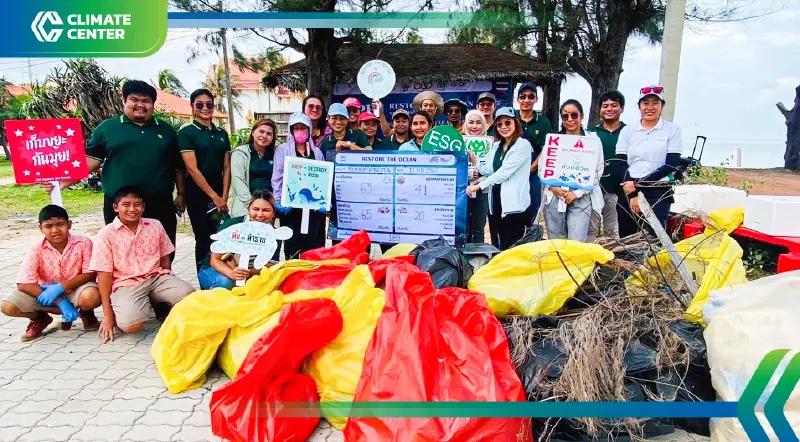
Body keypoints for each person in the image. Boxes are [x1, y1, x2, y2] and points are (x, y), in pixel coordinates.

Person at [50, 80, 185, 259]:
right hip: (119, 204)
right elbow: (91, 161)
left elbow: (178, 166)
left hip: (160, 203)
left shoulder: (166, 131)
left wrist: (181, 194)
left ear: (153, 104)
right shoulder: (107, 128)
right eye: (134, 100)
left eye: (146, 101)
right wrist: (62, 183)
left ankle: (162, 276)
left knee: (163, 251)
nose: (140, 105)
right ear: (124, 101)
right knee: (122, 252)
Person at [90, 187, 195, 343]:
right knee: (131, 325)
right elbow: (104, 275)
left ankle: (158, 302)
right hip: (126, 283)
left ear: (144, 207)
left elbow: (164, 258)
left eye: (137, 204)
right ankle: (130, 306)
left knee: (189, 296)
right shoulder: (106, 234)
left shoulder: (155, 225)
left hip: (156, 277)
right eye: (126, 205)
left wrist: (168, 283)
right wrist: (107, 315)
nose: (132, 209)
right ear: (116, 207)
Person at [1, 205, 101, 341]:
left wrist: (61, 287)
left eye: (60, 224)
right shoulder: (36, 249)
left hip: (75, 290)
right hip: (46, 294)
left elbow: (90, 273)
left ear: (69, 224)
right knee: (7, 306)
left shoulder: (83, 243)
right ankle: (39, 319)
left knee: (92, 296)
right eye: (48, 226)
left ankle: (86, 313)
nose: (55, 230)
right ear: (41, 228)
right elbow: (23, 283)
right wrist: (59, 299)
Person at [616, 85, 683, 232]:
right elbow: (620, 163)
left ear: (662, 106)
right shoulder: (627, 131)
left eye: (655, 103)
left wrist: (638, 184)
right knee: (627, 235)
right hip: (629, 189)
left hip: (658, 189)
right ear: (639, 106)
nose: (650, 107)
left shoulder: (672, 130)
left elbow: (671, 164)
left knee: (656, 234)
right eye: (645, 103)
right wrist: (633, 192)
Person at [178, 89, 232, 271]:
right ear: (192, 106)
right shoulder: (187, 133)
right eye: (199, 104)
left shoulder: (222, 133)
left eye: (209, 104)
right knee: (203, 239)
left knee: (221, 237)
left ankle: (221, 278)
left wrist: (224, 196)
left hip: (220, 193)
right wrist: (214, 196)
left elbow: (227, 167)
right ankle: (204, 280)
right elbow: (192, 168)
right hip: (197, 194)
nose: (205, 108)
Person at [465, 107, 531, 250]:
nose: (503, 127)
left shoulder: (523, 145)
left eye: (508, 123)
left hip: (514, 204)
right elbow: (490, 170)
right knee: (500, 241)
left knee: (512, 244)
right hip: (496, 200)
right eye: (499, 124)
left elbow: (503, 173)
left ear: (516, 123)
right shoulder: (497, 146)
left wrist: (478, 186)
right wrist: (475, 161)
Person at [543, 100, 605, 242]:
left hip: (581, 196)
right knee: (556, 242)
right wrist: (552, 187)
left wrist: (577, 193)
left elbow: (598, 170)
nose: (570, 119)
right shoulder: (554, 141)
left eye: (574, 115)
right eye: (565, 116)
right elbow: (543, 168)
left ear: (581, 116)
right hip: (555, 195)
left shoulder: (592, 141)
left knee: (576, 242)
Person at [198, 190, 280, 289]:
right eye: (255, 209)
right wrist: (232, 273)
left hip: (248, 271)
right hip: (214, 269)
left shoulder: (274, 234)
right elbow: (215, 260)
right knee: (226, 283)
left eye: (266, 210)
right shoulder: (232, 225)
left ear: (273, 213)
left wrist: (247, 272)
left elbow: (271, 265)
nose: (260, 214)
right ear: (249, 210)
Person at [272, 113, 327, 259]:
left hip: (314, 209)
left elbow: (322, 178)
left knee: (314, 246)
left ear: (309, 130)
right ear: (291, 130)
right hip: (291, 208)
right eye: (296, 128)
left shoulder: (317, 152)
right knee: (292, 246)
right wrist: (278, 199)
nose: (300, 131)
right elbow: (277, 177)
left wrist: (324, 200)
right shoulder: (282, 150)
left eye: (303, 128)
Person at [587, 90, 626, 242]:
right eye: (605, 106)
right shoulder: (591, 134)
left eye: (614, 105)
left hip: (618, 192)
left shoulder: (628, 132)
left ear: (622, 108)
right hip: (593, 190)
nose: (609, 109)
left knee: (613, 232)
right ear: (600, 110)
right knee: (590, 231)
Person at [515, 82, 553, 225]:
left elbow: (545, 150)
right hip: (510, 174)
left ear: (536, 99)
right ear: (517, 99)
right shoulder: (511, 118)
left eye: (531, 97)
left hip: (532, 175)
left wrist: (530, 169)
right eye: (523, 96)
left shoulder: (543, 122)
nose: (526, 100)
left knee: (531, 213)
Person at [230, 119, 279, 217]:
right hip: (245, 207)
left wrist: (271, 204)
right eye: (261, 131)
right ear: (253, 132)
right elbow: (238, 180)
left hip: (267, 208)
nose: (264, 136)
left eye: (269, 134)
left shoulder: (275, 154)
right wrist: (252, 205)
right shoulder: (240, 153)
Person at [462, 110, 490, 243]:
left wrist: (480, 177)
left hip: (482, 191)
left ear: (483, 125)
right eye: (471, 122)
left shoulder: (491, 143)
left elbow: (493, 170)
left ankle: (478, 255)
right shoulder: (458, 142)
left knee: (478, 229)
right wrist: (469, 174)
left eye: (478, 123)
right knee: (463, 227)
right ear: (465, 124)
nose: (474, 126)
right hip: (462, 191)